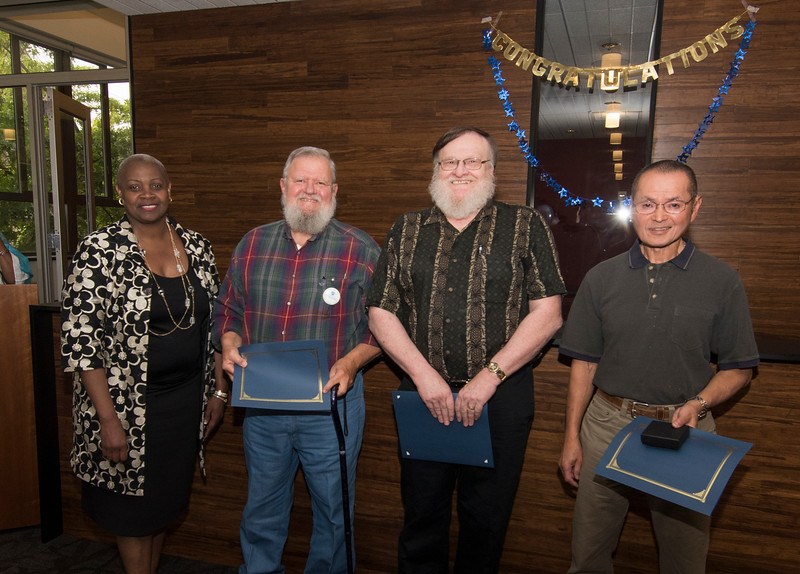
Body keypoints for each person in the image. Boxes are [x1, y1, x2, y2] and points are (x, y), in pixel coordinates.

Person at [366, 126, 566, 573]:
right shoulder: (407, 227)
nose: (459, 170)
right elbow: (380, 310)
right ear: (435, 171)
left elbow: (548, 314)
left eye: (472, 161)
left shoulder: (525, 225)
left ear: (492, 170)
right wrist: (424, 377)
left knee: (486, 521)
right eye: (448, 162)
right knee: (421, 518)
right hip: (423, 395)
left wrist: (488, 377)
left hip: (502, 399)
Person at [558, 159, 759, 574]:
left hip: (684, 431)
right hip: (606, 424)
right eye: (647, 204)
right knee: (588, 556)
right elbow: (583, 366)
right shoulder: (600, 278)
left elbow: (738, 368)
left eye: (673, 204)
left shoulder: (722, 281)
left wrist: (700, 403)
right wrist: (572, 438)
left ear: (695, 207)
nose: (660, 216)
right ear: (631, 206)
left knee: (684, 560)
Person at [214, 146, 381, 573]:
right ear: (283, 186)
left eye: (320, 182)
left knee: (334, 514)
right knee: (262, 511)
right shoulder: (253, 242)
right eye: (300, 180)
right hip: (263, 408)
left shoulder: (360, 249)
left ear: (334, 191)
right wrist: (229, 344)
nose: (310, 190)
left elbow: (385, 328)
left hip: (332, 409)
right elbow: (228, 309)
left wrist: (352, 362)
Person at [61, 153, 225, 574]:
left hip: (184, 403)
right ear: (120, 193)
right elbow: (81, 342)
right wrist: (107, 420)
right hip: (125, 407)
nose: (147, 194)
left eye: (155, 185)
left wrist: (218, 391)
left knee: (159, 512)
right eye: (135, 186)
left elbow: (218, 324)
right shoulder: (99, 250)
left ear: (169, 190)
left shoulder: (198, 246)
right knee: (131, 518)